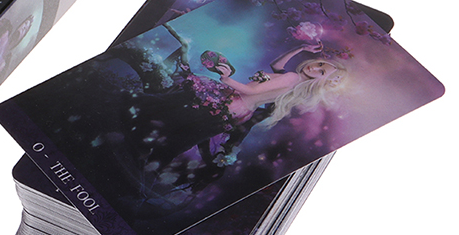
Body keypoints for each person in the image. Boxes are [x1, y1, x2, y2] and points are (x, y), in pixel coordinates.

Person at [125, 26, 347, 183]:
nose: (314, 68)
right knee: (187, 133)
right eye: (320, 64)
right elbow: (276, 65)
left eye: (321, 72)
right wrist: (301, 49)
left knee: (180, 118)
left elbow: (251, 91)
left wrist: (226, 78)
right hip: (239, 110)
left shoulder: (292, 79)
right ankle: (149, 161)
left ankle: (137, 131)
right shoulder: (294, 82)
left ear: (321, 81)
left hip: (233, 101)